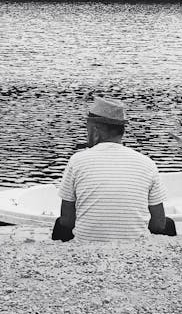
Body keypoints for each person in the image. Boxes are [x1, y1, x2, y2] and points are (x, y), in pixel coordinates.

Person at [53, 96, 174, 242]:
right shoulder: (147, 163)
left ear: (95, 130)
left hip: (86, 244)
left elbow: (67, 221)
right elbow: (159, 224)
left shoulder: (77, 161)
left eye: (87, 128)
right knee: (169, 224)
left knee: (59, 225)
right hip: (135, 248)